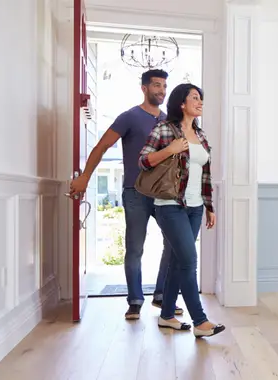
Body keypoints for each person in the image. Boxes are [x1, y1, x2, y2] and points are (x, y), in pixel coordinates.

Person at [68, 69, 184, 320]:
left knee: (173, 244)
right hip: (135, 192)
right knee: (134, 248)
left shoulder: (169, 121)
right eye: (156, 85)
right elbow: (101, 147)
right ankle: (134, 300)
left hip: (165, 194)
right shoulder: (130, 117)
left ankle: (162, 295)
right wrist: (85, 177)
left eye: (164, 86)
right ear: (144, 88)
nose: (161, 91)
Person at [138, 83, 225, 338]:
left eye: (201, 98)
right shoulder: (164, 129)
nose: (200, 102)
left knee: (178, 261)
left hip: (196, 207)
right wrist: (170, 149)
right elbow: (143, 160)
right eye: (195, 98)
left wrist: (209, 207)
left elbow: (205, 175)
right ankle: (200, 321)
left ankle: (166, 316)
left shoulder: (202, 135)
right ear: (181, 103)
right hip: (170, 206)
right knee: (188, 261)